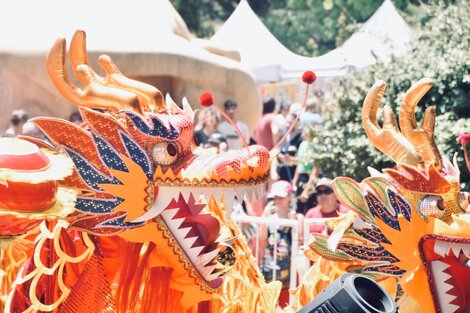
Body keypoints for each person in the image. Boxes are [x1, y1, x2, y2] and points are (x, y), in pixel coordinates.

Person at [260, 180, 303, 309]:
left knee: (286, 304)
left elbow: (300, 240)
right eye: (276, 196)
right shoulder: (269, 215)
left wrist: (297, 221)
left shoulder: (294, 217)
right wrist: (264, 216)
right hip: (269, 266)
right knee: (268, 304)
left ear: (289, 196)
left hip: (287, 270)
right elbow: (262, 238)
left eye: (281, 196)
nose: (278, 199)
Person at [292, 126, 319, 215]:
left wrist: (307, 189)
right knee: (298, 209)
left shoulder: (315, 146)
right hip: (301, 176)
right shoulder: (302, 144)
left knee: (308, 208)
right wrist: (294, 182)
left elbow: (316, 169)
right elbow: (299, 164)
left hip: (309, 178)